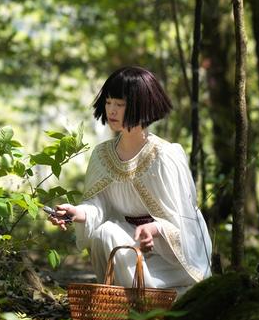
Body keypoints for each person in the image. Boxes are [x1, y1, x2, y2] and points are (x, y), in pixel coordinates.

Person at [49, 66, 212, 297]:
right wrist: (76, 212)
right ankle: (127, 307)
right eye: (108, 102)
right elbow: (98, 205)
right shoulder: (102, 155)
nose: (112, 110)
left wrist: (154, 229)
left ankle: (155, 303)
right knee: (105, 233)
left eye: (120, 104)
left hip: (170, 256)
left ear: (140, 105)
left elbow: (184, 219)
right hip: (127, 245)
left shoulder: (165, 156)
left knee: (110, 234)